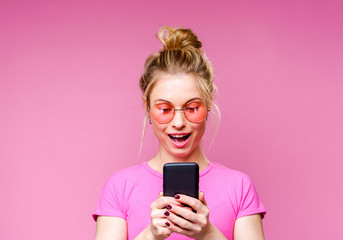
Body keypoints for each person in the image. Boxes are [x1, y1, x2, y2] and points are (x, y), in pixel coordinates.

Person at [93, 26, 266, 240]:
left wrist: (208, 233)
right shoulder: (119, 187)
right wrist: (151, 235)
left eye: (192, 108)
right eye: (165, 109)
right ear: (147, 106)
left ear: (208, 103)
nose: (178, 122)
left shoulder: (239, 187)